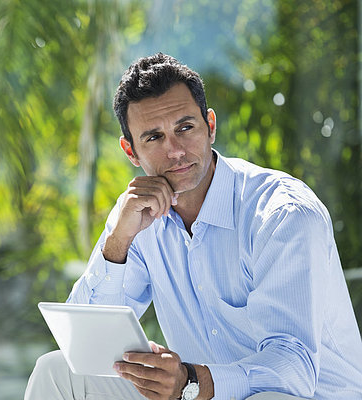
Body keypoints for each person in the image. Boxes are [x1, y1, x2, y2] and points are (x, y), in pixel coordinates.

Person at [24, 53, 362, 400]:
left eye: (185, 128)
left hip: (299, 396)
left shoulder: (281, 214)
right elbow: (85, 346)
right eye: (154, 137)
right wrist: (118, 242)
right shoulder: (137, 215)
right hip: (195, 392)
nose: (175, 152)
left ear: (210, 126)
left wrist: (189, 380)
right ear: (131, 151)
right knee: (57, 372)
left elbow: (293, 370)